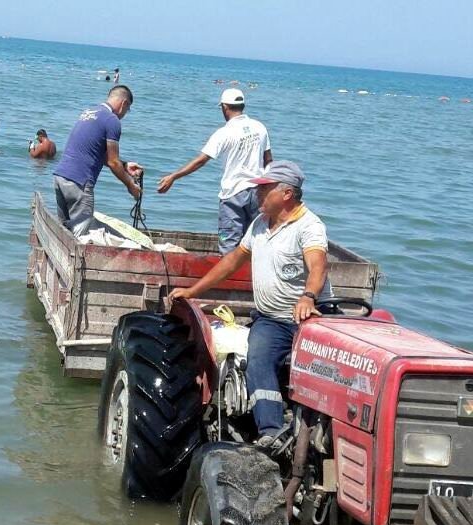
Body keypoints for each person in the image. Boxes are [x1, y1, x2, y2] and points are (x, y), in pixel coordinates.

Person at [168, 161, 331, 448]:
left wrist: (308, 297)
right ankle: (272, 431)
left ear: (287, 194)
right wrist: (193, 290)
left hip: (309, 319)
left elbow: (318, 266)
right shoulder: (258, 225)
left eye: (264, 189)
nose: (256, 194)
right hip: (271, 319)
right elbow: (231, 263)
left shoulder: (309, 226)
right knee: (258, 357)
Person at [158, 88, 272, 254]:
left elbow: (201, 160)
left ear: (225, 107)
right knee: (256, 240)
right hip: (258, 192)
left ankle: (228, 278)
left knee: (229, 244)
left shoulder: (224, 133)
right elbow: (269, 160)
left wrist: (174, 176)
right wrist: (268, 188)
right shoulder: (259, 127)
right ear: (242, 106)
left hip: (233, 194)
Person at [53, 85, 143, 236]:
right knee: (81, 236)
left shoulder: (89, 112)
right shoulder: (112, 120)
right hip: (80, 182)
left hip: (60, 177)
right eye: (128, 110)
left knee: (65, 231)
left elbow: (94, 152)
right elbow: (113, 162)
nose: (125, 114)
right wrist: (131, 185)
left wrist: (125, 165)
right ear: (124, 104)